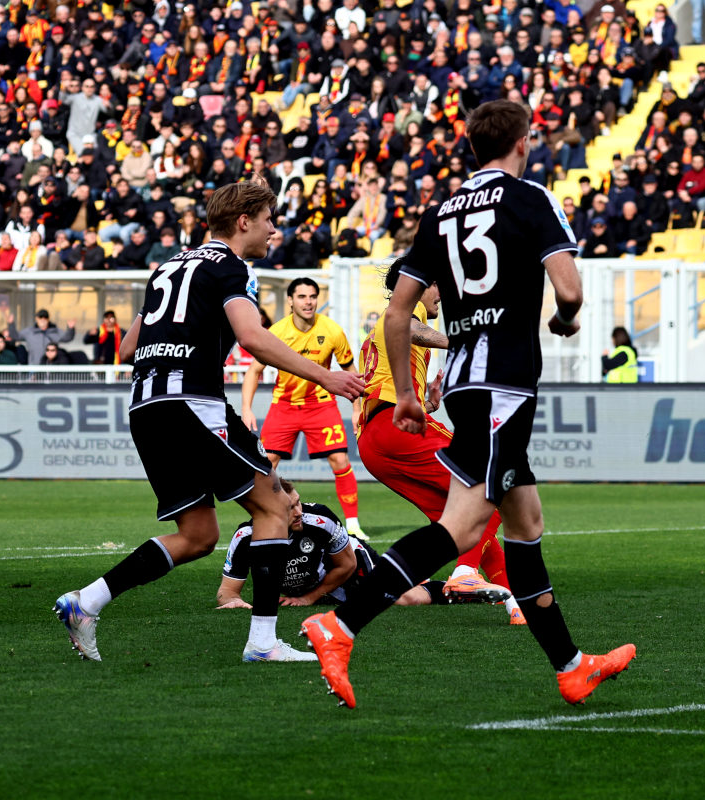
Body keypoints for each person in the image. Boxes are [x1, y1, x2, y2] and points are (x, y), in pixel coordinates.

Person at [301, 100, 634, 709]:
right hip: (503, 383)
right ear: (525, 141)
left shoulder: (440, 213)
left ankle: (570, 666)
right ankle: (341, 626)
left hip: (462, 381)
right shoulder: (532, 197)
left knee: (526, 522)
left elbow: (397, 312)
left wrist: (403, 391)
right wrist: (563, 319)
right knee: (463, 527)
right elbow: (570, 288)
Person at [53, 180, 365, 664]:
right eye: (267, 220)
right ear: (244, 222)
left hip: (146, 406)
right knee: (275, 506)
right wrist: (328, 376)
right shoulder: (232, 266)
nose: (273, 229)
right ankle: (262, 642)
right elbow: (253, 337)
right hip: (191, 401)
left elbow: (128, 348)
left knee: (198, 535)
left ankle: (86, 602)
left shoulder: (169, 265)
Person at [355, 259, 523, 625]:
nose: (442, 293)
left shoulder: (383, 328)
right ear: (420, 285)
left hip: (375, 441)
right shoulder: (402, 313)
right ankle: (464, 574)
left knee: (461, 523)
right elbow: (405, 328)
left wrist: (427, 400)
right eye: (438, 284)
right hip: (395, 429)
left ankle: (516, 603)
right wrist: (463, 343)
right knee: (487, 482)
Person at [216, 480, 507, 610]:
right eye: (289, 508)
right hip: (325, 584)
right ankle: (414, 578)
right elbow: (227, 592)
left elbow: (347, 564)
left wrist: (310, 598)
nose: (298, 512)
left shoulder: (319, 521)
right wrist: (232, 602)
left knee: (407, 599)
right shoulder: (245, 538)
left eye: (299, 503)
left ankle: (455, 589)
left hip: (350, 566)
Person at [240, 277, 368, 541]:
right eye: (301, 297)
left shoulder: (332, 330)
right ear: (290, 300)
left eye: (312, 296)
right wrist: (246, 408)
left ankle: (353, 525)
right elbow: (254, 371)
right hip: (283, 406)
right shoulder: (276, 331)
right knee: (266, 465)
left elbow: (350, 371)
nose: (308, 302)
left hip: (321, 406)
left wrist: (357, 409)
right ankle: (262, 519)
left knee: (341, 460)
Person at [7, 309, 76, 356]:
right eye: (40, 317)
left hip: (51, 368)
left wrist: (70, 329)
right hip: (34, 367)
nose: (43, 319)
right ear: (36, 318)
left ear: (48, 319)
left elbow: (67, 338)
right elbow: (15, 336)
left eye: (45, 317)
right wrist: (11, 324)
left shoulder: (55, 331)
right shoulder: (30, 331)